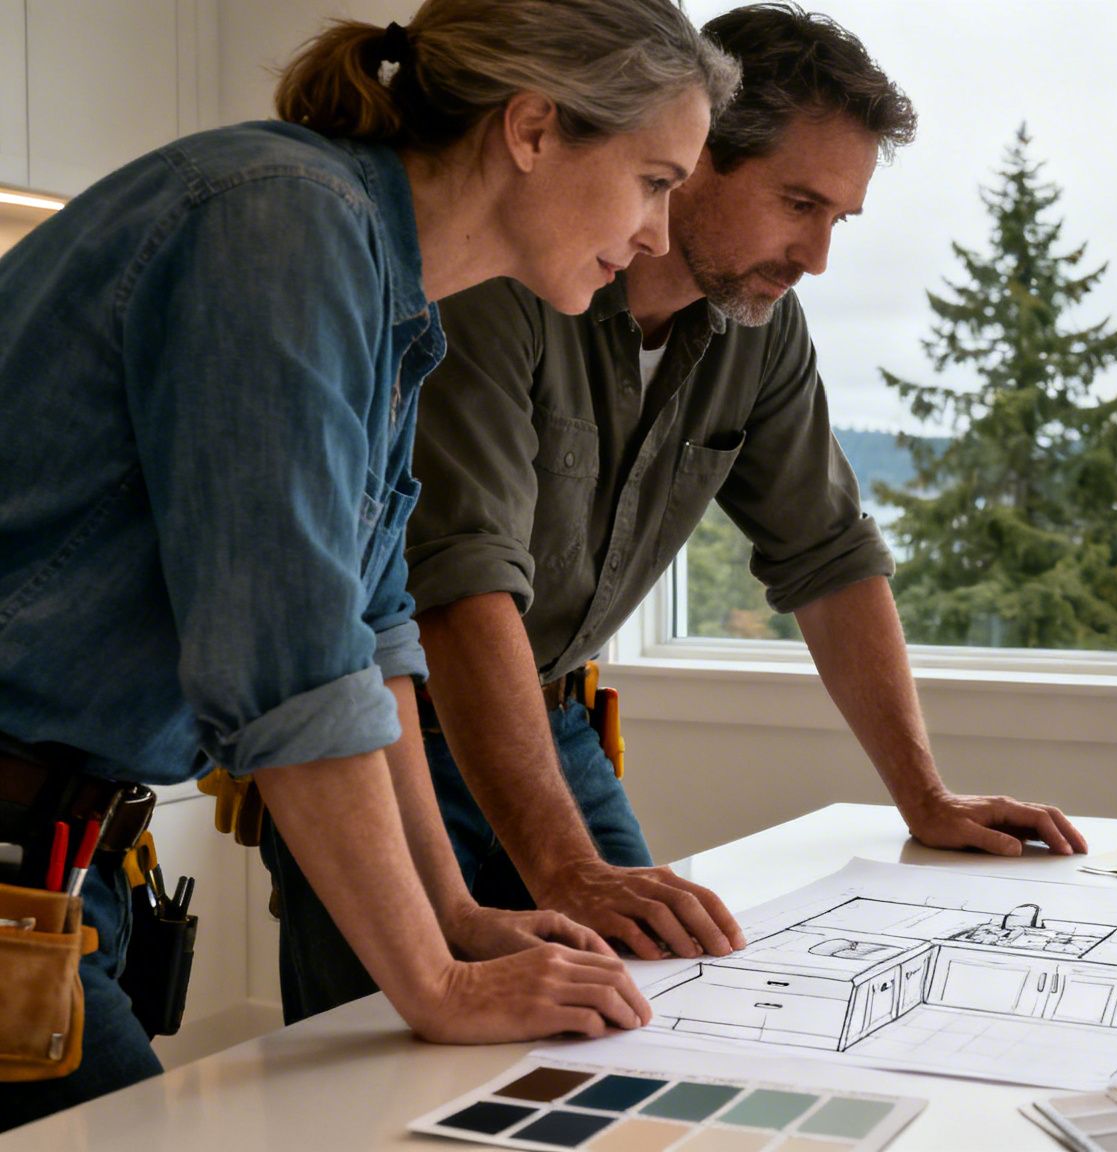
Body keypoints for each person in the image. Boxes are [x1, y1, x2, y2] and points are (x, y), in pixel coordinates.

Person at [258, 2, 1090, 1020]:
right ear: (693, 158)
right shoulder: (498, 276)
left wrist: (924, 798)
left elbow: (827, 553)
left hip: (551, 722)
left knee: (655, 1020)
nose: (816, 255)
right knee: (383, 1070)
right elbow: (455, 588)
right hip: (396, 740)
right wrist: (565, 871)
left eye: (839, 219)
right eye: (798, 203)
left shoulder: (758, 326)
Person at [0, 0, 739, 1128]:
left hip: (59, 851)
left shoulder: (386, 287)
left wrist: (455, 913)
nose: (656, 231)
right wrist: (434, 986)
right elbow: (289, 663)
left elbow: (375, 629)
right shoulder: (280, 225)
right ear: (533, 129)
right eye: (652, 179)